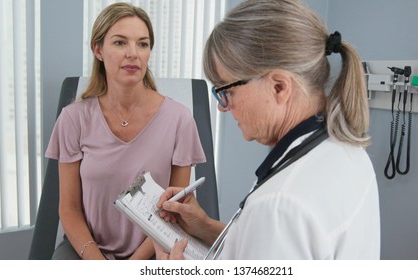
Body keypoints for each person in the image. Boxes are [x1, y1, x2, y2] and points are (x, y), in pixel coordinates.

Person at [155, 0, 380, 260]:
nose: (223, 107)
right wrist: (206, 228)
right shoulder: (347, 151)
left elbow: (275, 232)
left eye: (227, 90)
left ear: (279, 87)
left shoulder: (279, 206)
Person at [45, 3, 206, 260]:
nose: (133, 53)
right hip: (86, 250)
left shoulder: (180, 120)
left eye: (142, 44)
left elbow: (173, 210)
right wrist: (97, 263)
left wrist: (131, 266)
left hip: (155, 249)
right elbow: (69, 209)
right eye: (120, 43)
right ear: (98, 49)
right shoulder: (73, 119)